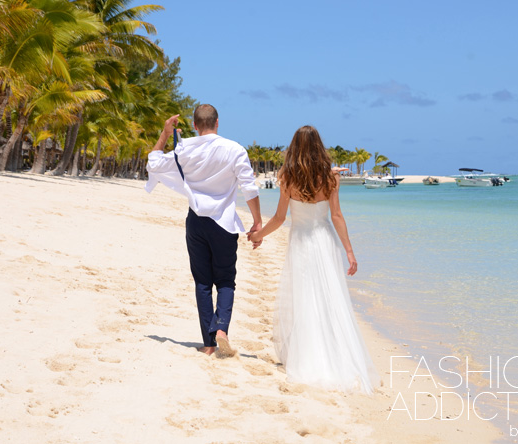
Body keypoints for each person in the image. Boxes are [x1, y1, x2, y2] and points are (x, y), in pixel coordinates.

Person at [248, 125, 378, 392]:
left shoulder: (287, 178)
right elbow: (337, 216)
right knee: (330, 298)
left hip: (301, 242)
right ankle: (335, 353)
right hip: (325, 241)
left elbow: (280, 218)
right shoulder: (331, 178)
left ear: (294, 148)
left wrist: (259, 235)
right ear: (320, 147)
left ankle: (307, 354)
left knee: (305, 297)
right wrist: (350, 252)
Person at [146, 104, 262, 356]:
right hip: (223, 223)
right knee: (225, 281)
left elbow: (153, 163)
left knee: (202, 282)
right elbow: (249, 188)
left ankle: (209, 344)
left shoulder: (184, 148)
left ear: (195, 126)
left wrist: (165, 133)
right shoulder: (235, 149)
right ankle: (222, 328)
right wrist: (257, 222)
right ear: (218, 123)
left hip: (196, 222)